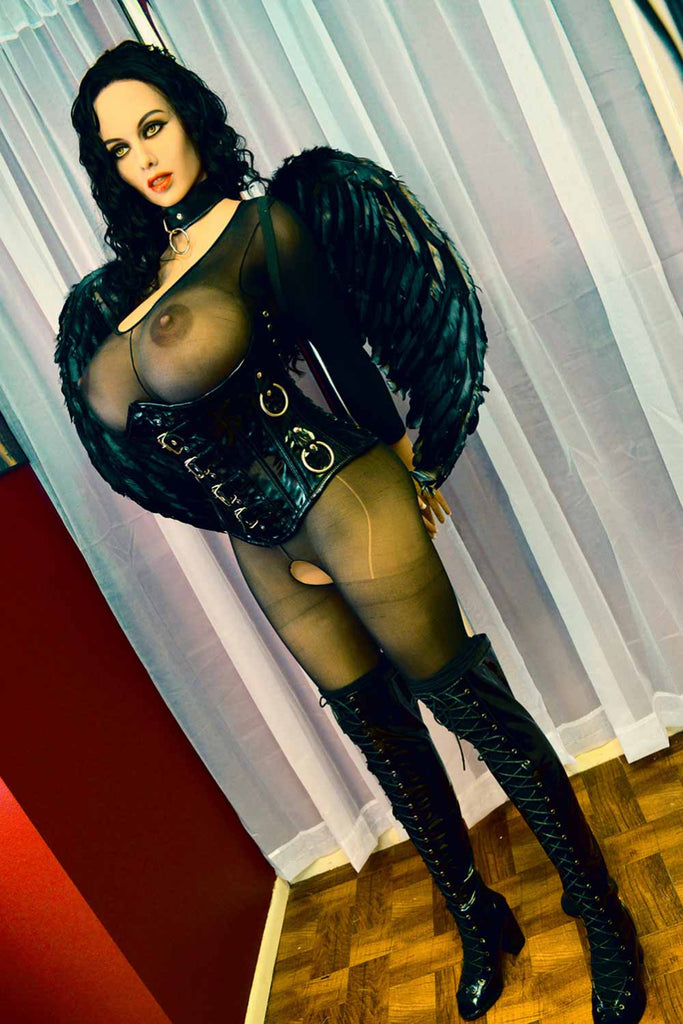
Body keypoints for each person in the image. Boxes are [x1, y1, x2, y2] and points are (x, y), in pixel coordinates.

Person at [56, 40, 645, 1024]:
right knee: (378, 732)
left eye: (152, 126)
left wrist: (412, 469)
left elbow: (342, 355)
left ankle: (600, 911)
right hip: (258, 540)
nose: (144, 156)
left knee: (464, 701)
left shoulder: (265, 224)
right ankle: (477, 915)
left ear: (190, 117)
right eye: (118, 147)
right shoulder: (126, 290)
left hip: (344, 494)